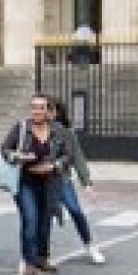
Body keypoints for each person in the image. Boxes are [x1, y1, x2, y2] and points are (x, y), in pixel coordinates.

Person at [0, 94, 68, 275]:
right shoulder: (21, 128)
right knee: (30, 220)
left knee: (45, 222)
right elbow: (4, 149)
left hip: (49, 183)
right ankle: (28, 261)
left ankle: (41, 258)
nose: (37, 111)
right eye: (34, 107)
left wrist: (54, 165)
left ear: (48, 110)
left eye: (41, 107)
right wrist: (18, 156)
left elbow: (67, 156)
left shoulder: (58, 130)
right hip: (25, 182)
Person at [49, 97, 105, 264]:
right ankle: (44, 251)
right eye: (47, 109)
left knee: (75, 211)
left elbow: (78, 158)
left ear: (58, 112)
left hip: (62, 179)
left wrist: (86, 183)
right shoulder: (36, 129)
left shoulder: (67, 132)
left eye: (52, 110)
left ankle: (89, 245)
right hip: (42, 181)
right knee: (45, 216)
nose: (49, 113)